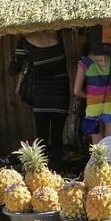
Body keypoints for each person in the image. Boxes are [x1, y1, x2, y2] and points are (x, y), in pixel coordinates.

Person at [14, 30, 70, 167]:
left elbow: (14, 67)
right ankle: (58, 168)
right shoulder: (56, 35)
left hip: (41, 93)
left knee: (41, 135)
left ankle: (41, 169)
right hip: (61, 92)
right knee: (57, 135)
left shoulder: (25, 41)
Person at [73, 27, 111, 144]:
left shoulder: (84, 64)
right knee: (110, 146)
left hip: (93, 108)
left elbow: (77, 91)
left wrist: (90, 96)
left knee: (98, 150)